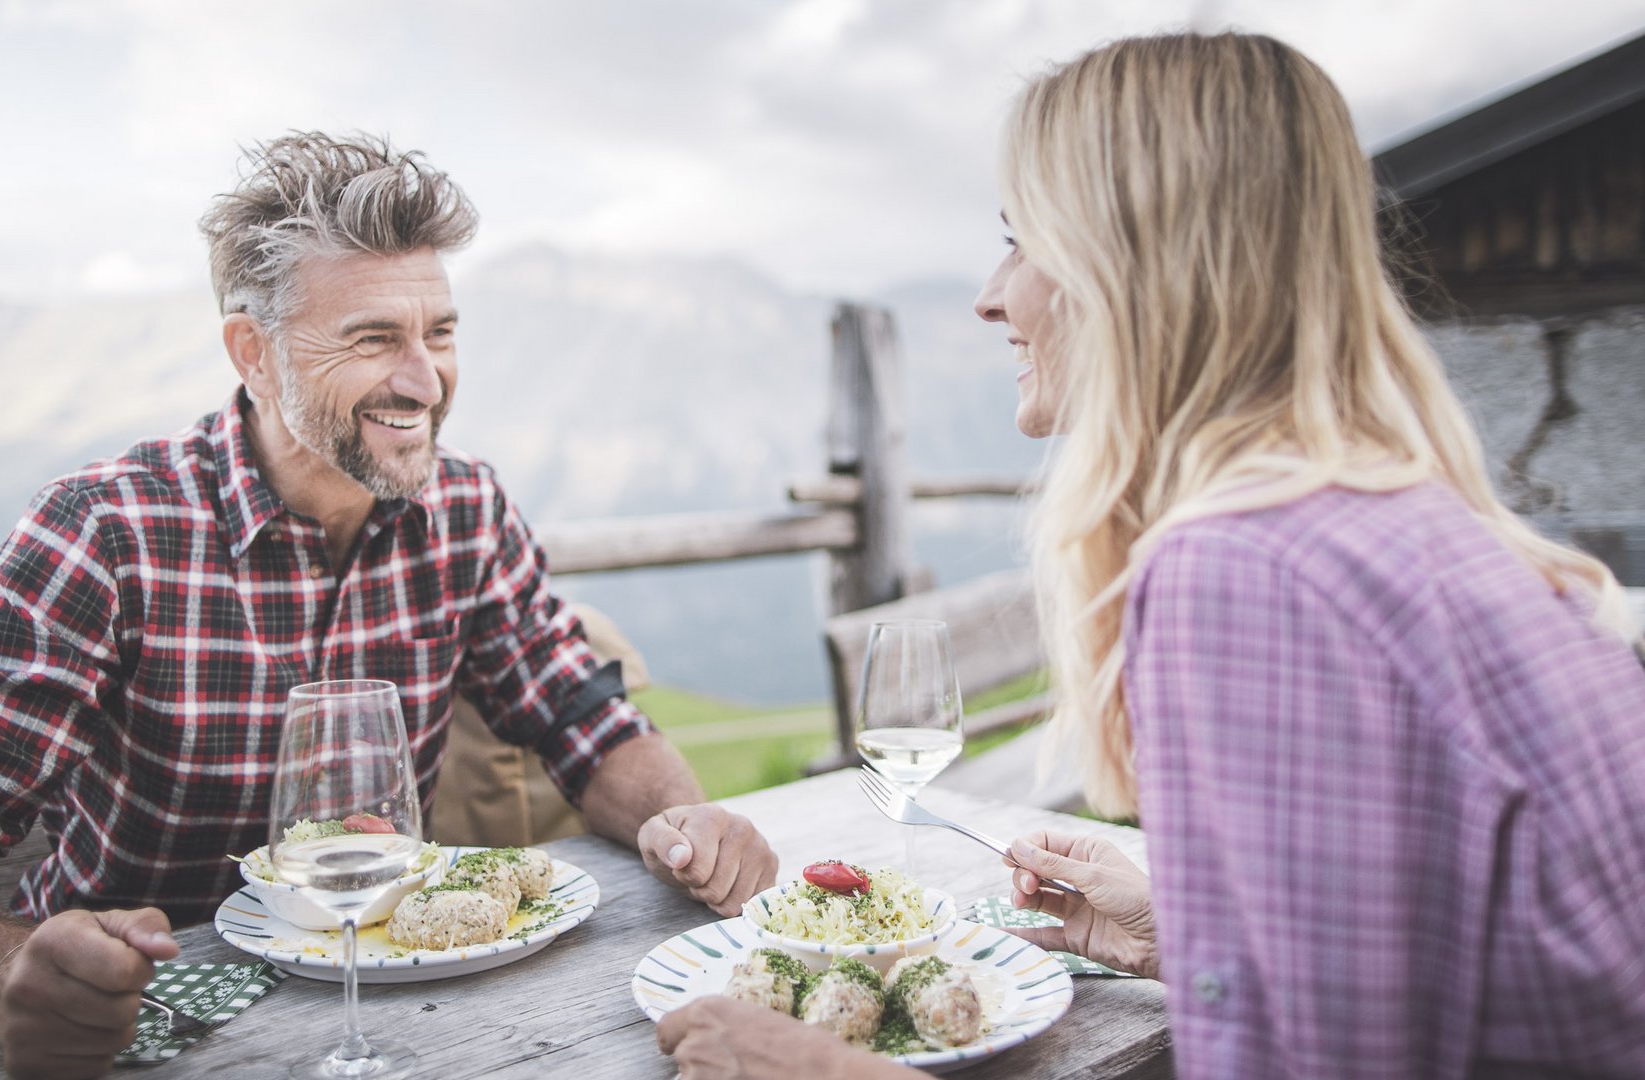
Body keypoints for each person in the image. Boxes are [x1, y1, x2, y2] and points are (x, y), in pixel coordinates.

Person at [658, 31, 1645, 1079]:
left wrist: (824, 1070)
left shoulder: (1248, 572)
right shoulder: (1379, 522)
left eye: (1021, 240)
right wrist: (1179, 935)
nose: (993, 297)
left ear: (1129, 267)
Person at [0, 131, 778, 1079]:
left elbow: (581, 719)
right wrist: (4, 971)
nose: (423, 379)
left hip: (403, 1011)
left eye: (439, 333)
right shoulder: (109, 532)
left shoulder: (466, 511)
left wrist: (688, 823)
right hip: (139, 1023)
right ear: (252, 353)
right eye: (372, 338)